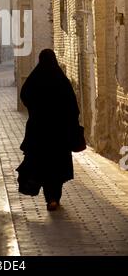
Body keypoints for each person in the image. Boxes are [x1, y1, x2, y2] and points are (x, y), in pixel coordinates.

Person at [17, 49, 81, 211]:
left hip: (39, 132)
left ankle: (50, 199)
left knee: (44, 166)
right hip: (59, 133)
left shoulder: (35, 77)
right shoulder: (61, 79)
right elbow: (73, 106)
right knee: (56, 166)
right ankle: (55, 198)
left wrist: (35, 110)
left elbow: (24, 94)